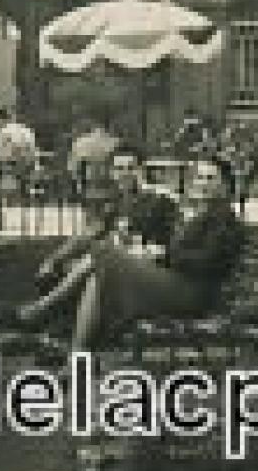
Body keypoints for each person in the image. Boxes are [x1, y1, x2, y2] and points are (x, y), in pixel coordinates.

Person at [18, 154, 244, 352]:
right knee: (100, 273)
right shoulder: (203, 213)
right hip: (177, 282)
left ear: (225, 185)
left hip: (193, 293)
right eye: (200, 177)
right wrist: (157, 253)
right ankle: (75, 352)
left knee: (104, 253)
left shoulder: (224, 219)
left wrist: (163, 256)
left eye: (210, 178)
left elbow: (207, 262)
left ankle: (45, 309)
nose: (202, 183)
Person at [33, 147, 179, 289]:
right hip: (120, 261)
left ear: (141, 170)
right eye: (119, 168)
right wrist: (54, 259)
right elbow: (88, 233)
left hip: (152, 267)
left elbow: (173, 243)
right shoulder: (116, 202)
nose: (125, 173)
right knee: (72, 268)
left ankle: (40, 308)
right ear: (112, 172)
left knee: (96, 261)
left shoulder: (159, 199)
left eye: (131, 168)